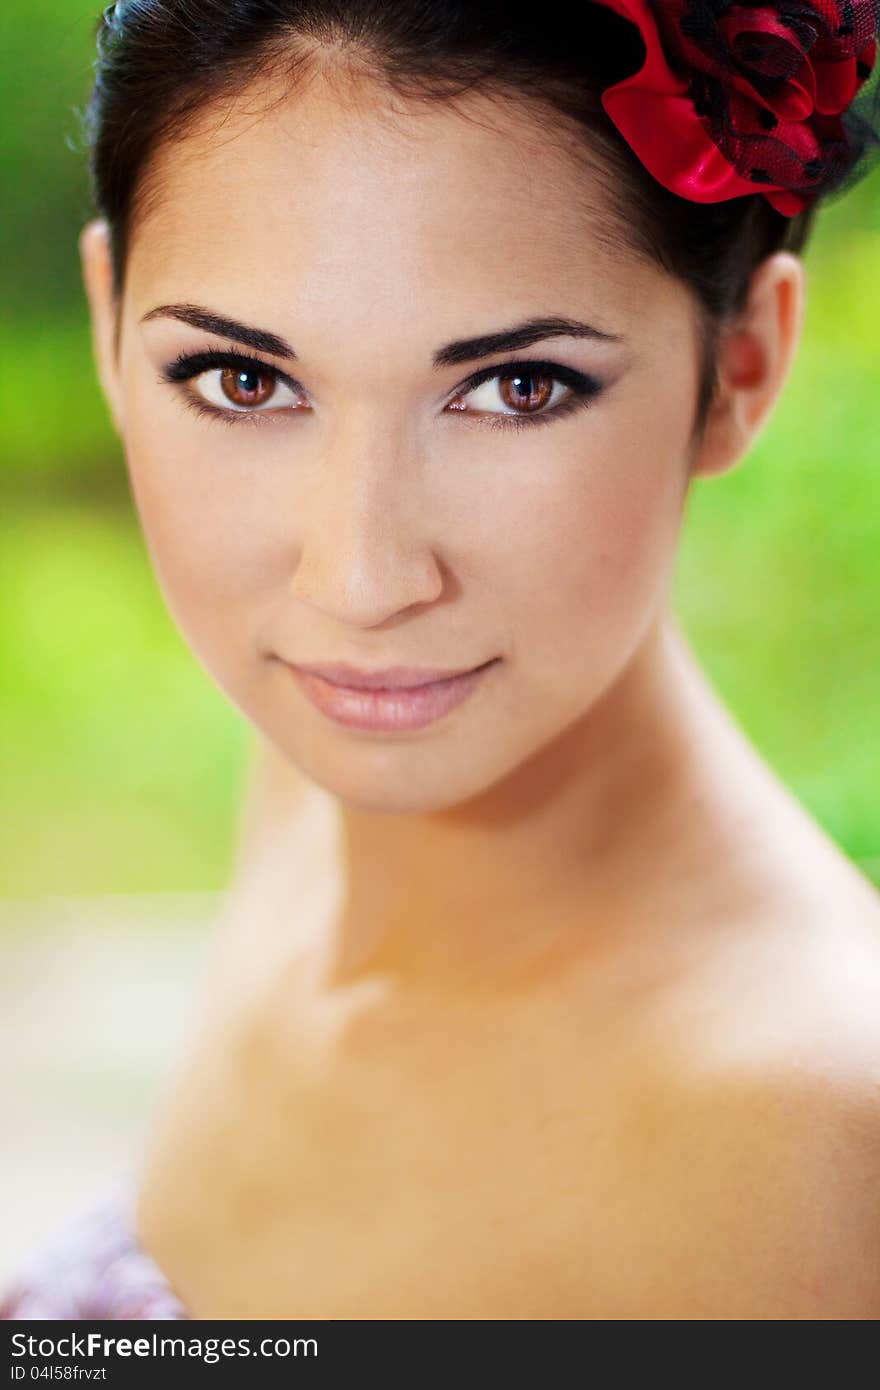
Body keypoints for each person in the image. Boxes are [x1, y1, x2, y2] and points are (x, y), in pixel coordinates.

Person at [3, 0, 880, 1320]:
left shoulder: (816, 1145)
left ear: (743, 363)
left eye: (518, 387)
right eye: (243, 379)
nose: (358, 581)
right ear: (110, 319)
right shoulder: (318, 774)